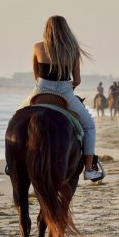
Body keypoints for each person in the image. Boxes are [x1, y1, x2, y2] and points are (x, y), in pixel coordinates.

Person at [20, 15, 104, 180]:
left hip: (40, 90)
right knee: (89, 126)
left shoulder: (37, 47)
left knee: (15, 120)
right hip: (65, 92)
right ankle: (88, 169)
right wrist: (66, 88)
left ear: (47, 29)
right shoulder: (73, 48)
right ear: (66, 29)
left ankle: (12, 163)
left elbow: (36, 76)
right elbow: (77, 80)